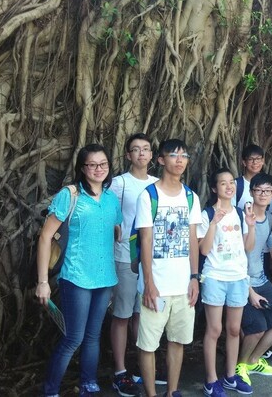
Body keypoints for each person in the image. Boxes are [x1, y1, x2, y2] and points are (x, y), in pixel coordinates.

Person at [36, 144, 122, 397]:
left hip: (105, 277)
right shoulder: (70, 195)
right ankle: (50, 391)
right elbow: (45, 238)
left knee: (94, 336)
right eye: (92, 165)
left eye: (103, 164)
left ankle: (88, 383)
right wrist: (42, 281)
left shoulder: (110, 198)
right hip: (76, 277)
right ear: (82, 168)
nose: (99, 169)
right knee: (73, 337)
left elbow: (115, 230)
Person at [134, 139, 202, 397]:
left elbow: (192, 239)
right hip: (157, 286)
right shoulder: (149, 196)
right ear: (161, 160)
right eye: (173, 155)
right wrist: (149, 283)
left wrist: (195, 277)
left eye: (184, 156)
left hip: (183, 285)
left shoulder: (190, 196)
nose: (180, 160)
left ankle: (172, 391)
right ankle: (151, 394)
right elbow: (146, 240)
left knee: (178, 341)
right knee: (149, 344)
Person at [198, 168, 256, 396]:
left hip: (238, 277)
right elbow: (203, 249)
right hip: (214, 277)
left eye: (231, 182)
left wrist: (251, 226)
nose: (229, 186)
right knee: (214, 329)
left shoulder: (241, 213)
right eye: (223, 183)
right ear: (214, 188)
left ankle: (230, 376)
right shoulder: (206, 214)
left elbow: (248, 248)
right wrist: (213, 223)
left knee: (233, 329)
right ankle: (211, 380)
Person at [109, 134, 158, 396]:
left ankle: (143, 369)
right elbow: (111, 218)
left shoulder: (158, 184)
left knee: (143, 314)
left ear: (152, 155)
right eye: (136, 150)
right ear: (128, 155)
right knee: (122, 315)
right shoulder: (120, 184)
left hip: (151, 261)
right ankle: (119, 372)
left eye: (146, 149)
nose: (141, 153)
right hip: (125, 258)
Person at [236, 173, 272, 386]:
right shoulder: (241, 217)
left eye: (268, 191)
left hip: (261, 278)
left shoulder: (269, 219)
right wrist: (250, 292)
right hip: (241, 281)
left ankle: (252, 360)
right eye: (259, 190)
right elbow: (237, 255)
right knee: (257, 327)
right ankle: (239, 366)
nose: (263, 194)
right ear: (251, 192)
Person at [233, 144, 265, 209]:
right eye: (250, 159)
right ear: (244, 162)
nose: (255, 162)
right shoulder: (236, 185)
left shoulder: (268, 185)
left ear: (262, 161)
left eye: (258, 158)